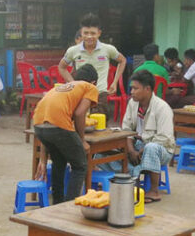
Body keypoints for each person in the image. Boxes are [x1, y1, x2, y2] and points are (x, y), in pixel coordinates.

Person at [33, 65, 99, 203]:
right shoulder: (90, 87)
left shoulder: (64, 87)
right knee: (80, 165)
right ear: (94, 82)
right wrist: (81, 141)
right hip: (58, 125)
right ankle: (69, 206)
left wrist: (44, 159)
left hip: (38, 125)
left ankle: (57, 202)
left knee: (59, 162)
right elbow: (79, 113)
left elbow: (48, 124)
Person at [119, 70, 176, 203]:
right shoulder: (132, 104)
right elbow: (126, 129)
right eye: (131, 88)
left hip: (162, 149)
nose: (131, 92)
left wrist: (141, 151)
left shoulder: (162, 108)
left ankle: (154, 191)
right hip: (138, 145)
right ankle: (130, 183)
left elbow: (163, 138)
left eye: (135, 88)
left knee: (151, 147)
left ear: (148, 89)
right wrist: (131, 150)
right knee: (112, 149)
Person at [59, 12, 127, 118]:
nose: (89, 36)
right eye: (86, 33)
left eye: (93, 33)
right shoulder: (73, 50)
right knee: (79, 124)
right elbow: (62, 67)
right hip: (80, 95)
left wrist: (114, 83)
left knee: (100, 127)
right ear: (81, 33)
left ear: (99, 33)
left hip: (100, 94)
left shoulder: (108, 49)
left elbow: (122, 61)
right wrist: (73, 83)